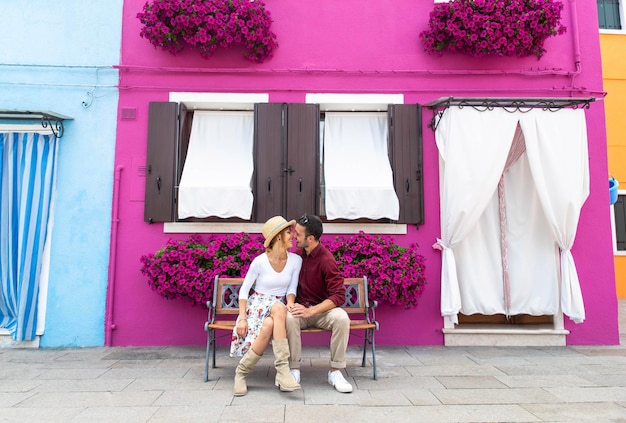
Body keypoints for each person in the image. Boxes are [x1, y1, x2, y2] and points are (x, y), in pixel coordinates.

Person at [230, 216, 302, 396]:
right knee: (278, 309)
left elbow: (291, 289)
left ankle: (241, 372)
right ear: (278, 236)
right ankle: (282, 372)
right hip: (258, 305)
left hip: (278, 306)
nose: (292, 235)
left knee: (272, 319)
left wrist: (291, 303)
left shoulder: (295, 261)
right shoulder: (259, 261)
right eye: (288, 232)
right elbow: (244, 291)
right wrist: (242, 319)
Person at [286, 214, 353, 393]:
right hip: (301, 310)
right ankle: (294, 370)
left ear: (311, 238)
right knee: (289, 318)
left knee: (342, 318)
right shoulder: (296, 255)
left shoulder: (326, 260)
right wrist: (292, 304)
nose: (294, 236)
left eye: (298, 234)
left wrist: (312, 311)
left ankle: (335, 371)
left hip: (322, 312)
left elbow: (339, 295)